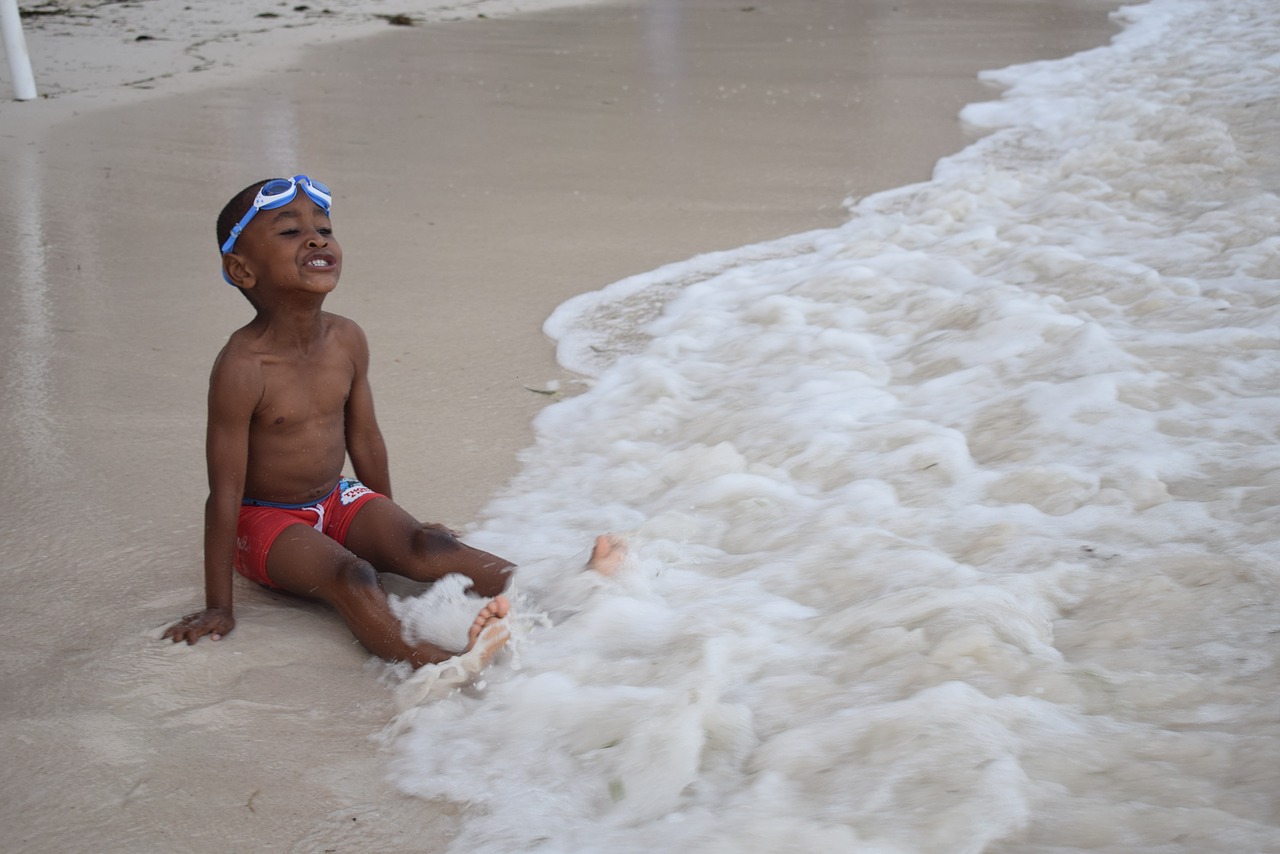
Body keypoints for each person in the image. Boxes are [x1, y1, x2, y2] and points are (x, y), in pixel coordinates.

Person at [163, 175, 619, 669]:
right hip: (265, 520)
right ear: (242, 269)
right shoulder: (241, 368)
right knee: (351, 576)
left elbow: (364, 438)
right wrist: (218, 605)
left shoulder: (346, 339)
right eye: (290, 232)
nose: (317, 238)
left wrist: (391, 527)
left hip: (334, 497)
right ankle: (438, 660)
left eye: (323, 228)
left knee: (429, 546)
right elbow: (225, 491)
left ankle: (561, 589)